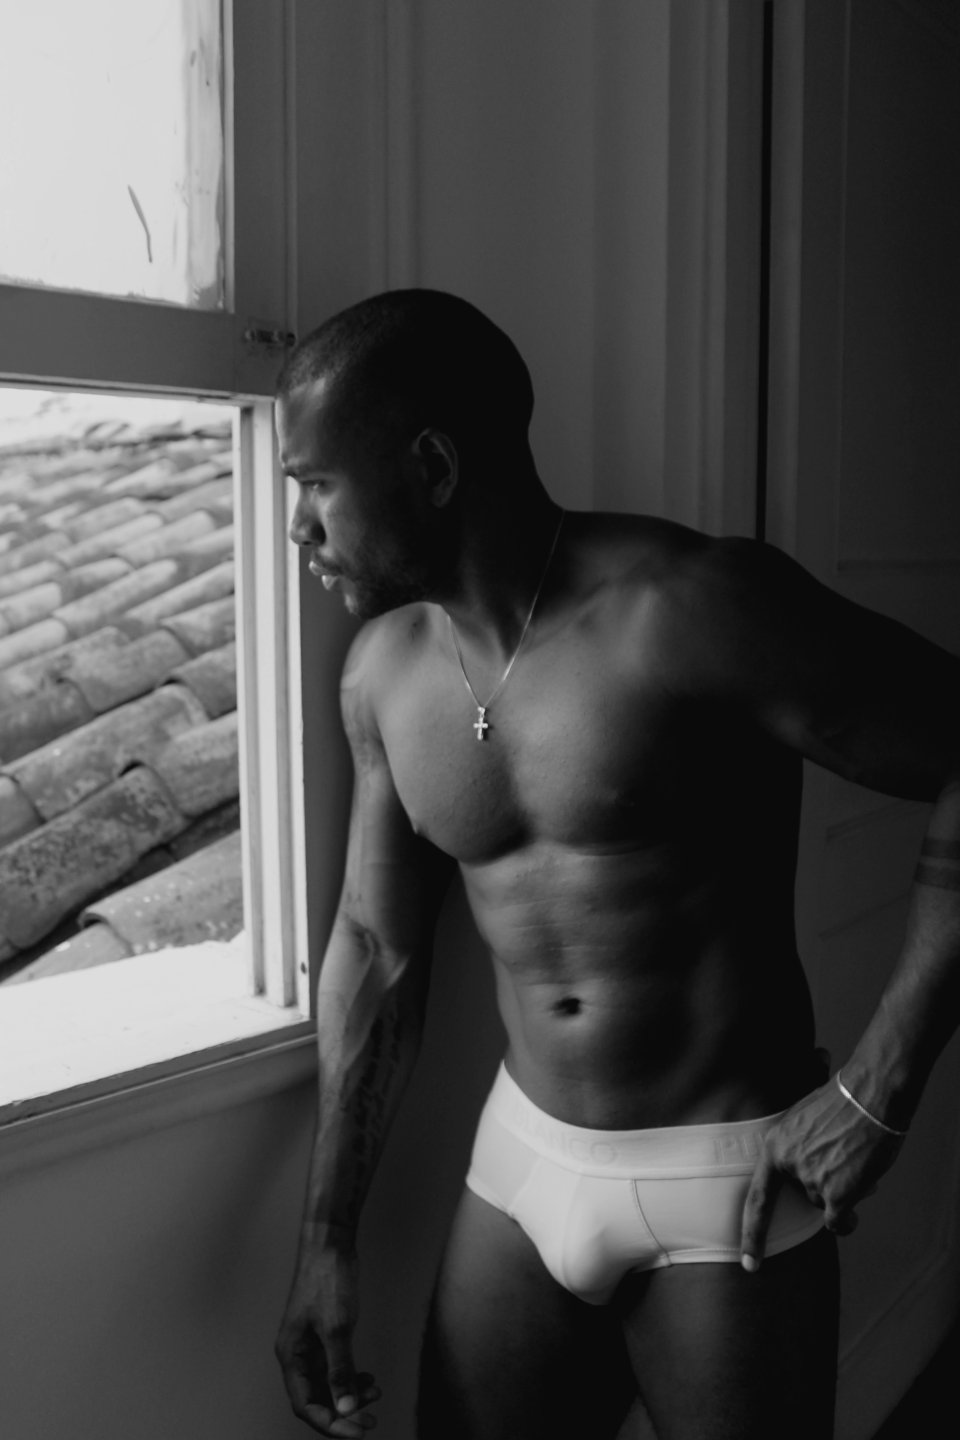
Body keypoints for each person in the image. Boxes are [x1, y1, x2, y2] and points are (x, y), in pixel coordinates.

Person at [273, 289, 960, 1440]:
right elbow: (378, 946)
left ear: (432, 466)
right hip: (522, 1168)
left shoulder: (692, 611)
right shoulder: (381, 674)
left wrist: (879, 1091)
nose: (298, 528)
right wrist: (325, 1239)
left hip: (725, 1186)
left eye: (314, 485)